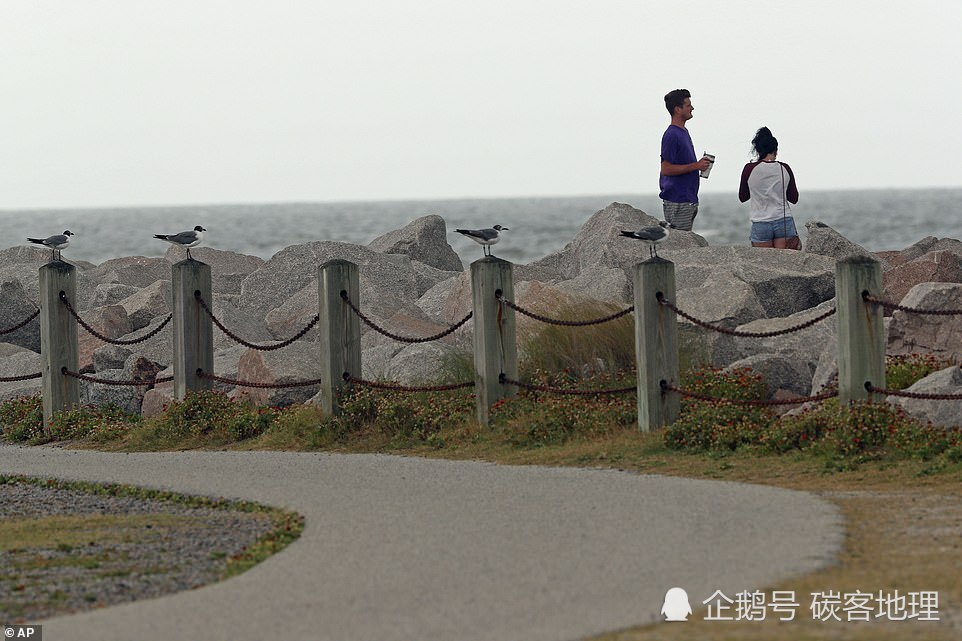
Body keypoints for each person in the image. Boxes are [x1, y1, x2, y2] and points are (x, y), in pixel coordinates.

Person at [738, 126, 800, 249]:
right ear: (775, 150)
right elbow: (794, 198)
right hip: (783, 221)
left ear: (757, 149)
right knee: (785, 263)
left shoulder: (749, 169)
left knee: (764, 264)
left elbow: (743, 197)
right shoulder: (784, 168)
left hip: (760, 223)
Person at [659, 89, 711, 231]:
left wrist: (699, 165)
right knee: (680, 246)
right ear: (677, 109)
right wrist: (696, 166)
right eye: (688, 105)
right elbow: (666, 169)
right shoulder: (671, 135)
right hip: (678, 200)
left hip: (687, 199)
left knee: (683, 242)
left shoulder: (683, 132)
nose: (692, 108)